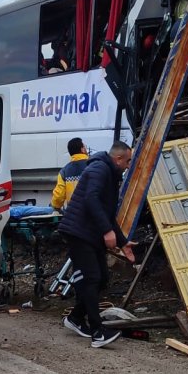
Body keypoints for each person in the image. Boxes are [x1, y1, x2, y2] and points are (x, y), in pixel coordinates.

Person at [57, 141, 135, 348]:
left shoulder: (109, 173)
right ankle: (98, 332)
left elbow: (108, 214)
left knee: (101, 279)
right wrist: (106, 231)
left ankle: (74, 318)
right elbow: (91, 199)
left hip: (89, 234)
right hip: (78, 233)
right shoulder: (100, 169)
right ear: (118, 159)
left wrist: (123, 242)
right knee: (91, 278)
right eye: (127, 161)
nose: (128, 166)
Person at [51, 137, 90, 212]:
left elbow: (58, 197)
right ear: (82, 149)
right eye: (85, 147)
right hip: (92, 215)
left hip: (73, 216)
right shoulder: (94, 165)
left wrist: (54, 205)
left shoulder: (64, 171)